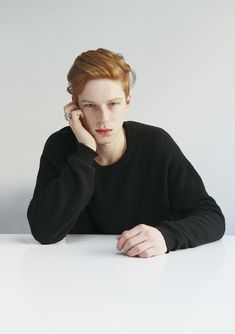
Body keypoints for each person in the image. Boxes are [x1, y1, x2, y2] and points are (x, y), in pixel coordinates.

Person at [27, 47, 225, 258]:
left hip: (150, 272)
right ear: (75, 107)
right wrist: (85, 150)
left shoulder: (156, 144)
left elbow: (211, 216)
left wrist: (166, 237)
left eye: (113, 104)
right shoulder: (60, 146)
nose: (103, 118)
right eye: (90, 106)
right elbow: (44, 232)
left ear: (128, 101)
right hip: (81, 272)